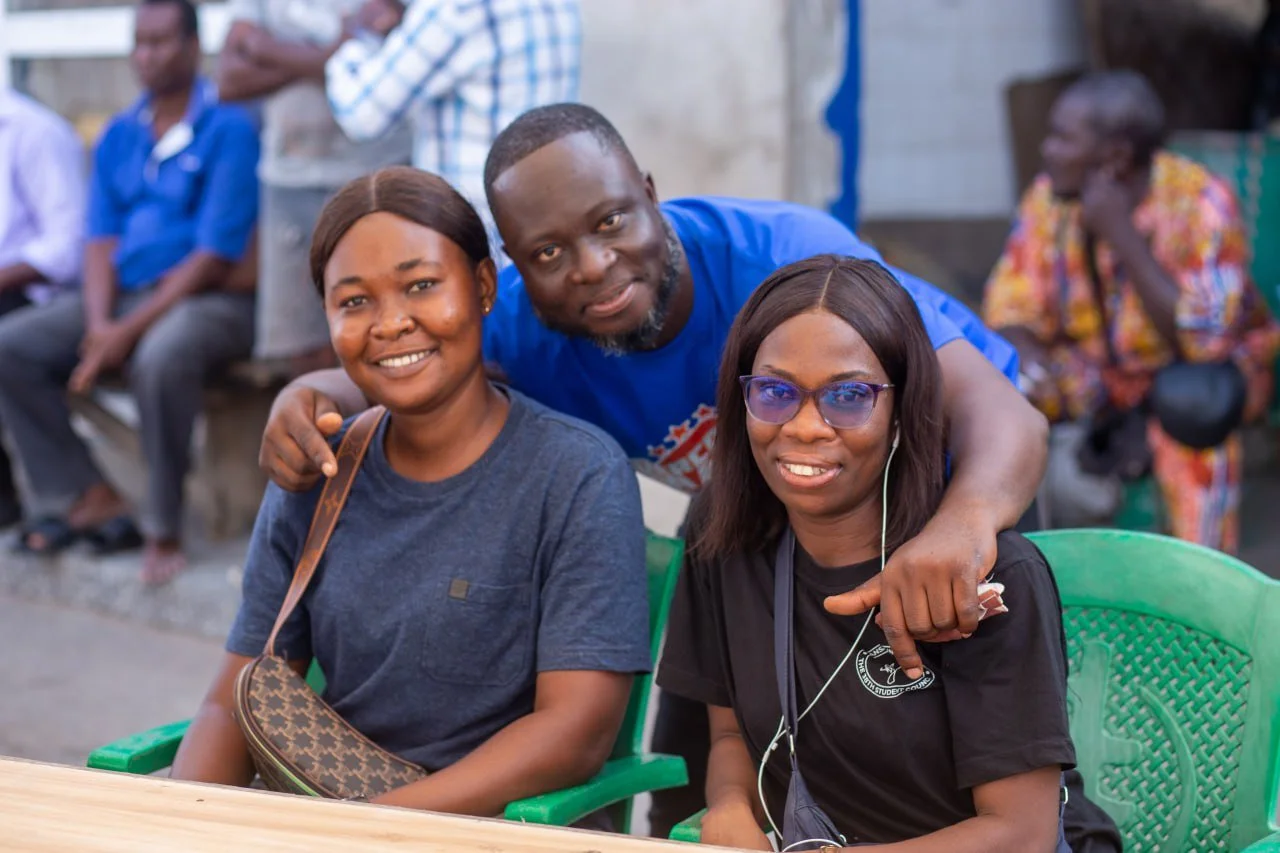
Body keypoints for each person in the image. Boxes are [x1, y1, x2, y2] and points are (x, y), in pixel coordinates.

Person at [256, 103, 1050, 835]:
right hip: (772, 545)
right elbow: (417, 348)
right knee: (703, 785)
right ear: (515, 267)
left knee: (971, 783)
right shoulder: (531, 329)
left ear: (649, 192)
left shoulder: (787, 264)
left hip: (956, 508)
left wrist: (964, 527)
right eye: (549, 251)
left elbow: (1004, 413)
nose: (593, 265)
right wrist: (310, 390)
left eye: (610, 221)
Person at [170, 166, 651, 816]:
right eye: (354, 301)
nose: (390, 323)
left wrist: (379, 829)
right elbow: (229, 703)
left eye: (421, 285)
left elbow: (574, 733)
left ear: (483, 287)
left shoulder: (575, 475)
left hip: (489, 827)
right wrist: (177, 822)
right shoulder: (319, 472)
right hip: (333, 810)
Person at [657, 255, 1121, 852]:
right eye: (774, 392)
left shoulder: (993, 574)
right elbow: (732, 737)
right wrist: (728, 806)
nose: (804, 427)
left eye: (848, 396)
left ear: (903, 411)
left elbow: (1021, 835)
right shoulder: (722, 534)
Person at [0, 0, 260, 583]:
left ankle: (163, 527)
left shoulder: (229, 128)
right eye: (139, 42)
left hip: (210, 299)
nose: (147, 55)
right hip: (125, 298)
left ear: (193, 47)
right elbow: (98, 241)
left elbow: (214, 255)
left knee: (162, 356)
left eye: (162, 41)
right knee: (11, 347)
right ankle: (82, 491)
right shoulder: (120, 134)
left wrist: (124, 332)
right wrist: (99, 323)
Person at [983, 70, 1280, 553]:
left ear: (1115, 158)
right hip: (1101, 370)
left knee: (1192, 410)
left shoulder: (1200, 203)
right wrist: (1028, 358)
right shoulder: (1048, 199)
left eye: (1063, 138)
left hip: (1195, 378)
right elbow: (1011, 306)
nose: (1048, 150)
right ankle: (1029, 567)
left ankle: (1202, 580)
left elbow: (1203, 345)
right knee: (1004, 386)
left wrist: (1118, 231)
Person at [217, 0, 412, 367]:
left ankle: (377, 428)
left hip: (377, 179)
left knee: (384, 335)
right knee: (304, 350)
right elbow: (229, 80)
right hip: (289, 183)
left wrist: (269, 50)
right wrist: (331, 56)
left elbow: (406, 53)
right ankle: (325, 426)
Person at [323, 0, 581, 251]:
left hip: (472, 231)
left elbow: (362, 113)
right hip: (540, 217)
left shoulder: (456, 9)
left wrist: (355, 36)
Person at [0, 87, 87, 528]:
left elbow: (66, 249)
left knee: (8, 343)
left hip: (42, 295)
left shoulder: (33, 131)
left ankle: (71, 494)